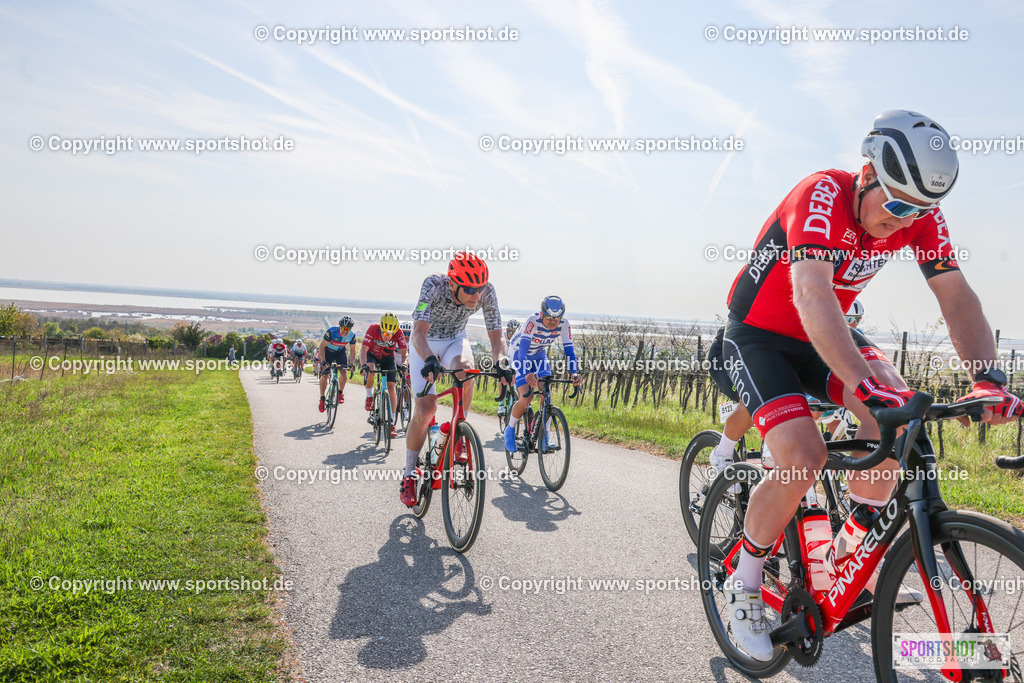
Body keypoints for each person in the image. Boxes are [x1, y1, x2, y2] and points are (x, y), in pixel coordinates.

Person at [716, 110, 1022, 661]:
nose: (905, 221)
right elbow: (811, 293)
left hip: (829, 334)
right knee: (802, 456)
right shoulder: (820, 194)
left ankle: (846, 559)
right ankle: (744, 579)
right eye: (898, 203)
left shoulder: (919, 216)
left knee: (898, 416)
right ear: (866, 173)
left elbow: (955, 296)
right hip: (761, 336)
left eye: (920, 210)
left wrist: (988, 378)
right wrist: (861, 383)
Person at [399, 253, 512, 507]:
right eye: (471, 289)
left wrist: (503, 361)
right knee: (427, 409)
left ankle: (460, 431)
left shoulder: (486, 292)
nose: (477, 295)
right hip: (424, 343)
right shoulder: (434, 286)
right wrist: (428, 358)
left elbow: (496, 336)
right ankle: (408, 474)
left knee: (466, 370)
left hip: (454, 339)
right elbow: (417, 333)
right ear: (452, 284)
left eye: (480, 288)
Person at [503, 297, 582, 453]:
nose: (553, 322)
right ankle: (510, 429)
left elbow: (570, 352)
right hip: (519, 353)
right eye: (549, 318)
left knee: (546, 395)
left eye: (557, 318)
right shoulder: (532, 322)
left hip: (539, 355)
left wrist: (574, 373)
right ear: (541, 314)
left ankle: (545, 437)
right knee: (526, 397)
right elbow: (523, 352)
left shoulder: (564, 325)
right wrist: (526, 373)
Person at [359, 313, 410, 438]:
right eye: (386, 333)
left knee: (392, 387)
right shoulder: (373, 329)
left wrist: (404, 364)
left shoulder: (398, 332)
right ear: (381, 329)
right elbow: (363, 349)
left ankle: (391, 423)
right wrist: (363, 364)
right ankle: (369, 396)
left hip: (388, 358)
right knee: (371, 368)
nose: (388, 337)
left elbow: (405, 353)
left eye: (391, 334)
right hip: (372, 355)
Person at [317, 317, 356, 413]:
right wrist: (323, 361)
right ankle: (322, 399)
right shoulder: (331, 332)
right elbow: (322, 347)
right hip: (328, 352)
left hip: (340, 352)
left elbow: (353, 351)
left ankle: (340, 393)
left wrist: (351, 364)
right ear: (340, 327)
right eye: (343, 328)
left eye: (348, 329)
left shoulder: (352, 335)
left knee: (344, 373)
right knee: (325, 375)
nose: (345, 331)